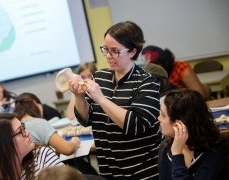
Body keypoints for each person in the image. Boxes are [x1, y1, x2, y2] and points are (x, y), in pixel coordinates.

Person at [68, 21, 162, 179]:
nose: (108, 56)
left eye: (115, 51)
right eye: (105, 49)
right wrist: (79, 96)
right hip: (109, 170)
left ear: (132, 51)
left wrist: (101, 99)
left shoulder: (147, 83)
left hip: (141, 172)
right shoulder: (99, 76)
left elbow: (135, 126)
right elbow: (86, 119)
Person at [158, 89, 229, 179]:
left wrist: (177, 154)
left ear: (180, 123)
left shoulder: (216, 151)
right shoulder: (165, 147)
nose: (159, 118)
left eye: (163, 115)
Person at [0, 113, 63, 180]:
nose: (27, 133)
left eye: (24, 127)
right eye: (20, 131)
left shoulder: (42, 156)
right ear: (3, 144)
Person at [14, 92, 80, 155]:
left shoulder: (15, 128)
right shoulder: (39, 123)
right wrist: (75, 142)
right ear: (36, 104)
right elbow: (68, 149)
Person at [141, 45, 209, 100]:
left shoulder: (181, 68)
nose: (153, 69)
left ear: (163, 62)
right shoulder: (150, 73)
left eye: (155, 65)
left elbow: (200, 95)